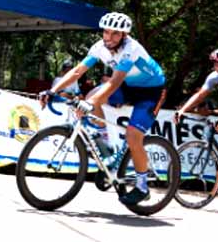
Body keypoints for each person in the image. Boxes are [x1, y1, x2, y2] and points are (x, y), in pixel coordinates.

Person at [42, 12, 166, 206]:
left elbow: (115, 81)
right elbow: (77, 71)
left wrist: (90, 105)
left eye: (115, 34)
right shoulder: (100, 47)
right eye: (106, 32)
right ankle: (106, 145)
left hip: (151, 92)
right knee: (92, 96)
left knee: (134, 137)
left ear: (124, 35)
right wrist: (52, 90)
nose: (109, 38)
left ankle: (142, 187)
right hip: (128, 86)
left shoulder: (131, 49)